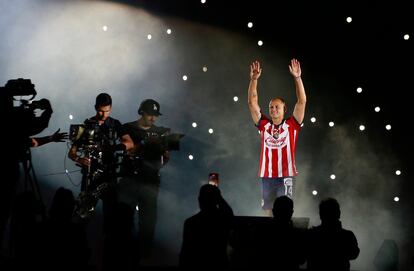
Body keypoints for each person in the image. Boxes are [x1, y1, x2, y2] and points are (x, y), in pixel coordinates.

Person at [247, 58, 307, 216]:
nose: (273, 109)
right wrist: (254, 80)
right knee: (268, 212)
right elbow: (252, 103)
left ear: (284, 109)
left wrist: (297, 77)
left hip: (285, 175)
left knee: (284, 211)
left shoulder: (292, 125)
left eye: (277, 107)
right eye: (271, 107)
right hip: (267, 175)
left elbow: (302, 101)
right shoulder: (264, 125)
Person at [118, 98, 171, 260]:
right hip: (129, 180)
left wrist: (161, 153)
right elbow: (128, 150)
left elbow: (166, 158)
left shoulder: (162, 132)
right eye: (150, 115)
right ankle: (122, 256)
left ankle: (144, 258)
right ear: (142, 112)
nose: (153, 118)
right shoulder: (127, 128)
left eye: (156, 115)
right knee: (123, 221)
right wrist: (144, 143)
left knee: (148, 223)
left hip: (150, 182)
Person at [179, 184, 234, 268]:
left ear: (200, 200)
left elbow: (185, 253)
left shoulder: (191, 223)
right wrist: (219, 197)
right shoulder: (221, 220)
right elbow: (229, 214)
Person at [306, 198, 360, 271]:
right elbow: (354, 254)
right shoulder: (347, 236)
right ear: (338, 213)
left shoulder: (311, 234)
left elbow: (301, 257)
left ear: (321, 215)